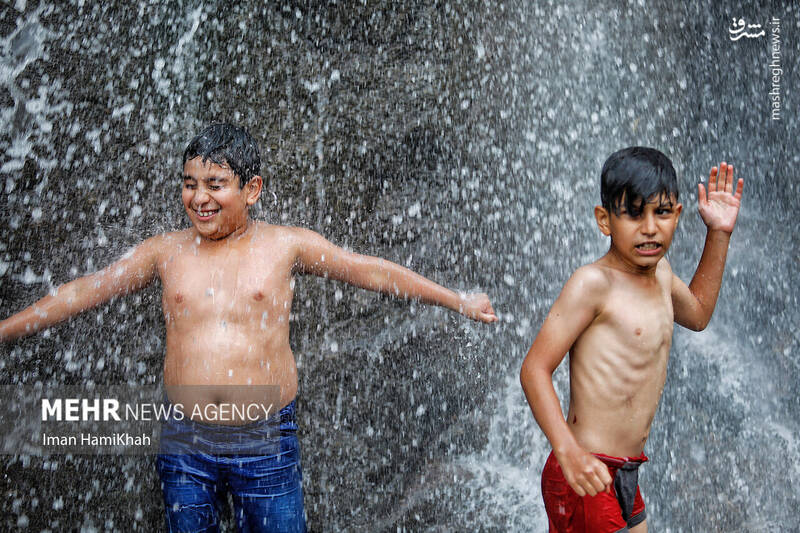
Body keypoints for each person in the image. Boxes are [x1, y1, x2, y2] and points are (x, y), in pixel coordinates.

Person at [0, 123, 498, 532]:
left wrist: (455, 299)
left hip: (266, 436)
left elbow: (371, 270)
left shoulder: (285, 246)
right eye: (190, 184)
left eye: (215, 185)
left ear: (252, 189)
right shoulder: (165, 251)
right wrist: (6, 329)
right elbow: (85, 289)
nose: (199, 198)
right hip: (187, 437)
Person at [520, 146, 743, 532]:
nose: (650, 227)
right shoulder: (593, 284)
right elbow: (534, 369)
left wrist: (719, 233)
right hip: (584, 468)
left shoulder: (661, 276)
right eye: (634, 213)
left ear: (677, 215)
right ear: (605, 220)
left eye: (661, 212)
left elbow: (700, 314)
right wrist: (567, 450)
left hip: (623, 472)